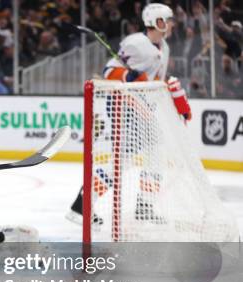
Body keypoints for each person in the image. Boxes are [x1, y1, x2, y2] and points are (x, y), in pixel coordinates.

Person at [67, 3, 191, 225]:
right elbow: (108, 72)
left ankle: (144, 205)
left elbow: (154, 81)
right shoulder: (136, 44)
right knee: (120, 162)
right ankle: (80, 206)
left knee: (154, 155)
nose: (171, 24)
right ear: (157, 22)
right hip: (123, 108)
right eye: (167, 20)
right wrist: (129, 77)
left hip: (143, 111)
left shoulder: (165, 48)